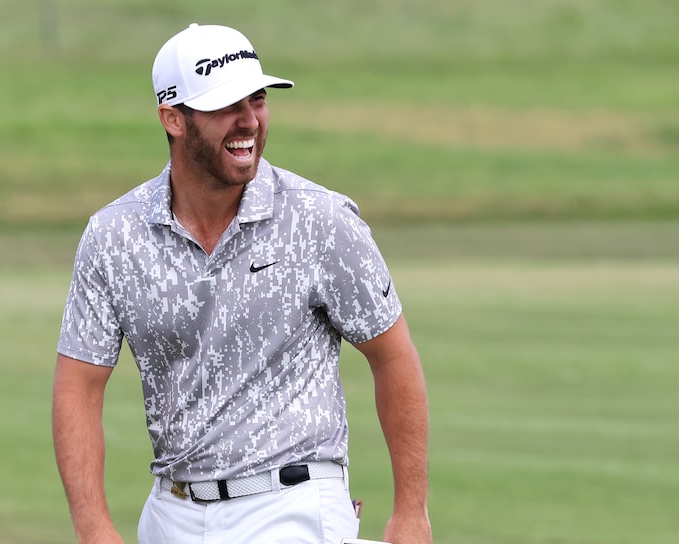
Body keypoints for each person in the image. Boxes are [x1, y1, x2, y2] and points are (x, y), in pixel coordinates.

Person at [52, 23, 431, 544]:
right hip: (171, 512)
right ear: (173, 118)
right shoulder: (113, 236)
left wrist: (411, 511)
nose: (249, 121)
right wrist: (94, 528)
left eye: (257, 100)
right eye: (226, 105)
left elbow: (393, 356)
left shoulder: (321, 220)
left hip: (294, 505)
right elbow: (78, 385)